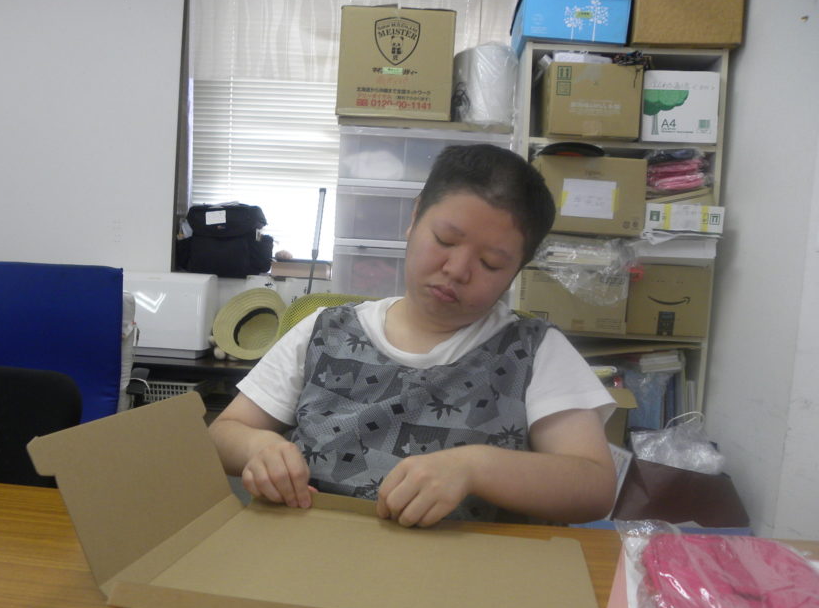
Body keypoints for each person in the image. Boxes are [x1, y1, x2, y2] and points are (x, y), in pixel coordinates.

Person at [208, 144, 616, 527]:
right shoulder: (323, 330)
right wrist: (258, 449)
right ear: (415, 216)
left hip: (467, 566)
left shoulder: (535, 350)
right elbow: (222, 434)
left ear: (516, 271)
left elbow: (594, 486)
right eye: (445, 240)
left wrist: (475, 467)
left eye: (491, 263)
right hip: (317, 547)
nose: (457, 269)